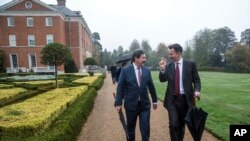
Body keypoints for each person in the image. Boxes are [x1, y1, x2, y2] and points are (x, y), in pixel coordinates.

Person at [159, 43, 201, 141]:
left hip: (185, 100)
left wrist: (197, 90)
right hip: (172, 100)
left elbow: (197, 80)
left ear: (178, 53)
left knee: (182, 124)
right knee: (173, 124)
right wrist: (162, 68)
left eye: (171, 54)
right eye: (169, 54)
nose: (170, 56)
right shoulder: (168, 66)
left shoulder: (190, 65)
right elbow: (162, 79)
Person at [115, 50, 158, 141]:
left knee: (145, 129)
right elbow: (120, 88)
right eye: (143, 57)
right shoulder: (125, 70)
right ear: (136, 58)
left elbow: (151, 86)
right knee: (130, 130)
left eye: (145, 57)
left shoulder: (147, 71)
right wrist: (118, 103)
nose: (145, 59)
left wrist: (154, 100)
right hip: (131, 105)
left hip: (145, 106)